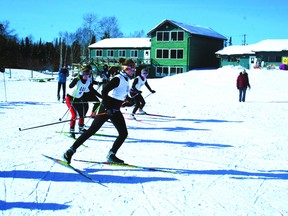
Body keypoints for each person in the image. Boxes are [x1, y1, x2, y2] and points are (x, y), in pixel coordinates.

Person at [63, 59, 136, 164]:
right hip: (107, 109)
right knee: (92, 130)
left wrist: (129, 100)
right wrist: (107, 108)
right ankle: (69, 151)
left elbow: (119, 95)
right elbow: (104, 91)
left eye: (134, 69)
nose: (134, 71)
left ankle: (111, 154)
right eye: (132, 69)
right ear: (126, 69)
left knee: (123, 133)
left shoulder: (126, 80)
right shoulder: (118, 79)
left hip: (114, 110)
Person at [65, 67, 94, 138]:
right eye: (85, 75)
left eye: (88, 75)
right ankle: (71, 130)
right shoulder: (78, 80)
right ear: (82, 74)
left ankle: (81, 128)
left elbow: (91, 90)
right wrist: (76, 79)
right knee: (74, 115)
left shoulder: (88, 82)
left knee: (82, 114)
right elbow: (70, 86)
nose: (86, 77)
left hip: (78, 99)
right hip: (70, 98)